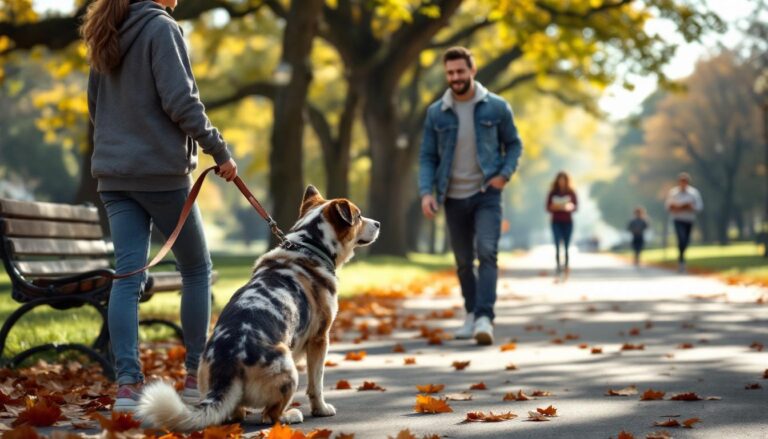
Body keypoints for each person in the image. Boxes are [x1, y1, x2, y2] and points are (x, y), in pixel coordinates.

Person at [82, 0, 238, 412]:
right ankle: (194, 377)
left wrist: (121, 148)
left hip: (114, 177)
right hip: (161, 176)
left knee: (127, 274)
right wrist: (219, 152)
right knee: (196, 268)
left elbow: (95, 108)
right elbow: (181, 101)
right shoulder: (162, 28)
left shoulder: (105, 29)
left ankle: (128, 387)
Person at [418, 46, 523, 346]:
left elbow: (514, 145)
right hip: (452, 196)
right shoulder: (436, 112)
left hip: (487, 192)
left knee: (487, 252)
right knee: (464, 261)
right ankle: (471, 312)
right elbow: (427, 156)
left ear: (472, 70)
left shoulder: (497, 107)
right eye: (450, 73)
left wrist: (504, 175)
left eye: (460, 71)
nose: (455, 77)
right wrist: (427, 192)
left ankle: (484, 318)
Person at [665, 172, 703, 273]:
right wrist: (675, 207)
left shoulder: (694, 193)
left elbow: (699, 207)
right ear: (679, 182)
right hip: (678, 219)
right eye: (681, 182)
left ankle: (681, 257)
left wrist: (691, 207)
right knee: (681, 239)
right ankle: (681, 261)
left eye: (685, 182)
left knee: (686, 241)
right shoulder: (673, 193)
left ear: (687, 182)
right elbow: (668, 206)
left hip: (689, 220)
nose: (683, 184)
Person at [546, 172, 577, 280]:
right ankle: (558, 268)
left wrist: (570, 207)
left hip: (568, 222)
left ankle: (566, 266)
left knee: (567, 246)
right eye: (560, 179)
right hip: (556, 222)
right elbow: (547, 207)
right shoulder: (552, 193)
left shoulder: (571, 192)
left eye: (564, 180)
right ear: (557, 180)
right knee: (557, 245)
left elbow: (576, 207)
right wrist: (555, 207)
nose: (562, 182)